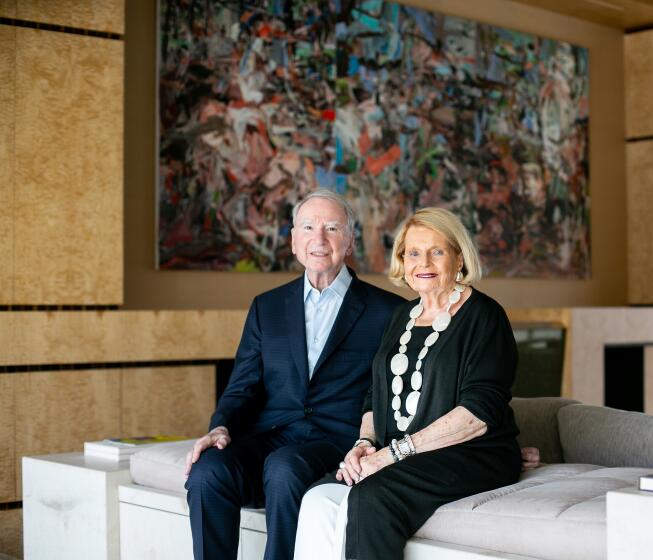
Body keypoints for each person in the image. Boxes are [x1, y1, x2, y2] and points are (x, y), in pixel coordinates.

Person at [184, 189, 404, 560]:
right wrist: (220, 427)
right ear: (293, 241)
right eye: (308, 227)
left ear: (349, 241)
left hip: (337, 442)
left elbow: (389, 395)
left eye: (332, 228)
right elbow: (242, 386)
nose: (319, 239)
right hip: (272, 438)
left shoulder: (388, 311)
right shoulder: (266, 307)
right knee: (207, 471)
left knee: (285, 468)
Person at [295, 207, 522, 559]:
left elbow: (480, 412)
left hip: (471, 455)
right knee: (318, 498)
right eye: (413, 252)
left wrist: (392, 456)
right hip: (401, 453)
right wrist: (364, 444)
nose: (424, 262)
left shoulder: (484, 315)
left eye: (437, 251)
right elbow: (375, 394)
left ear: (459, 257)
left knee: (372, 495)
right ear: (402, 260)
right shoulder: (402, 315)